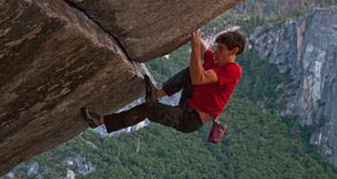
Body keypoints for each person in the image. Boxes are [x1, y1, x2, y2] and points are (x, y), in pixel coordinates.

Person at [82, 29, 246, 134]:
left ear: (234, 51)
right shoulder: (216, 61)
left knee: (149, 109)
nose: (216, 52)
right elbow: (204, 52)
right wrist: (193, 31)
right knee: (190, 71)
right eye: (217, 47)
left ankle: (101, 121)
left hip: (189, 119)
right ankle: (156, 93)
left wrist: (194, 49)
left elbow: (199, 78)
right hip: (188, 104)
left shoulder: (233, 70)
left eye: (221, 49)